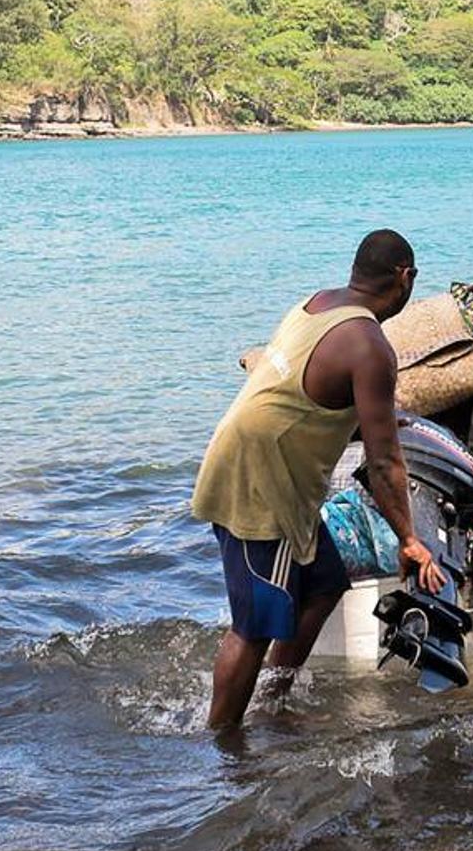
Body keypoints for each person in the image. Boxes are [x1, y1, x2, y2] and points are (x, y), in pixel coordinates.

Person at [191, 229, 445, 730]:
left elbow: (316, 393)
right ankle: (224, 748)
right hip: (261, 485)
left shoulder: (316, 304)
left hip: (265, 468)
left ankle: (273, 701)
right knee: (253, 627)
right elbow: (384, 463)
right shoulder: (370, 346)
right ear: (405, 277)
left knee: (325, 582)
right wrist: (410, 539)